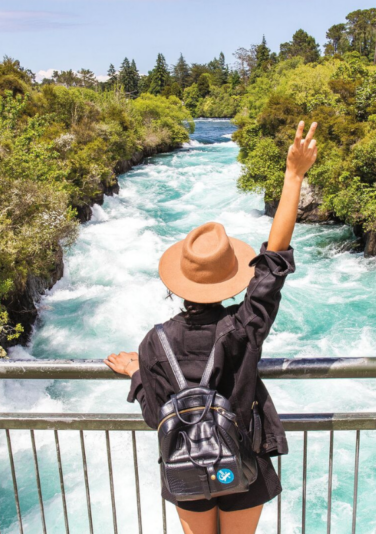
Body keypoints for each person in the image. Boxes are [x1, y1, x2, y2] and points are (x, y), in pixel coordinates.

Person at [104, 121, 319, 534]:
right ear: (231, 279)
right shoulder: (244, 327)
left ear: (178, 284)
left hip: (185, 463)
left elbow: (154, 416)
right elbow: (274, 264)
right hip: (240, 457)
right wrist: (293, 176)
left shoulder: (154, 343)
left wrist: (135, 372)